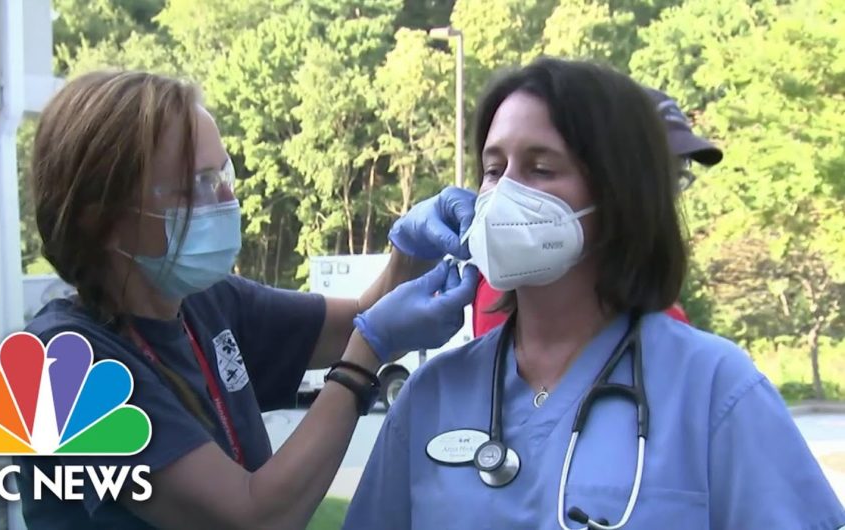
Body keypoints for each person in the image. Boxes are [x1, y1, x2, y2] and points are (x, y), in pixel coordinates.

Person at [343, 57, 844, 530]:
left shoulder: (714, 388)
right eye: (493, 169)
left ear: (619, 194)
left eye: (541, 169)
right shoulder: (433, 394)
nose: (503, 193)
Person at [15, 70, 479, 529]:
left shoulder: (203, 302)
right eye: (196, 184)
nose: (225, 197)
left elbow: (357, 323)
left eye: (224, 173)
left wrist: (407, 256)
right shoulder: (62, 367)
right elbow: (254, 518)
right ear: (103, 219)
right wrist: (362, 363)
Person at [471, 86, 723, 335]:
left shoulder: (666, 328)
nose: (658, 196)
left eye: (676, 176)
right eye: (494, 170)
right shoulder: (527, 286)